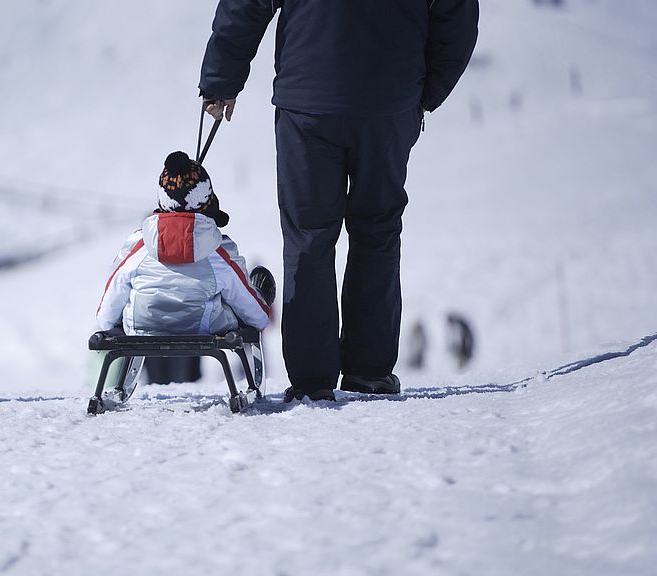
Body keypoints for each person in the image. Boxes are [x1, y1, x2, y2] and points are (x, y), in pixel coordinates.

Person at [198, 0, 479, 402]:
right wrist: (424, 89)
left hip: (308, 98)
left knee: (308, 236)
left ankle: (313, 379)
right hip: (389, 99)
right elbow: (458, 13)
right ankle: (369, 372)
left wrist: (221, 78)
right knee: (377, 230)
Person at [97, 151, 272, 340]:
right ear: (208, 204)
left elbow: (106, 316)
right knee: (240, 296)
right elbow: (258, 317)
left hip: (141, 328)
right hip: (204, 329)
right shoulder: (219, 250)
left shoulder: (139, 245)